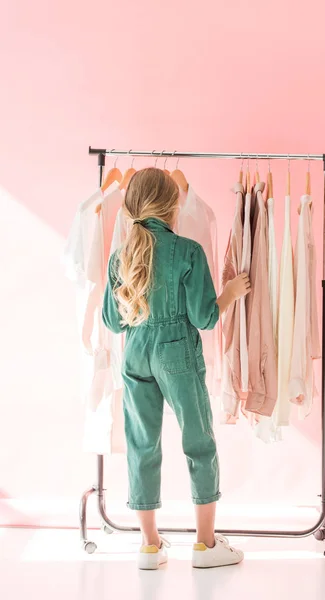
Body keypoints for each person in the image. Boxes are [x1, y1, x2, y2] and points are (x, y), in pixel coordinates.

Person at [102, 168, 250, 570]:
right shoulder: (188, 251)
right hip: (176, 354)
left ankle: (150, 546)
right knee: (198, 441)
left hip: (135, 352)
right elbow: (204, 318)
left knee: (142, 444)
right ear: (173, 205)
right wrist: (230, 294)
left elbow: (112, 322)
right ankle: (205, 545)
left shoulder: (121, 255)